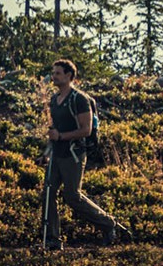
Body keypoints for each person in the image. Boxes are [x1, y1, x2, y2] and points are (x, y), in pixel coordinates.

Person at [41, 58, 132, 249]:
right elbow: (54, 130)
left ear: (69, 76)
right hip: (57, 154)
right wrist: (47, 150)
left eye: (58, 73)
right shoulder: (54, 100)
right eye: (53, 72)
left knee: (72, 196)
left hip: (73, 154)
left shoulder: (79, 99)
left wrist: (61, 137)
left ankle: (109, 224)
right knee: (48, 192)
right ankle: (52, 239)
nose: (54, 76)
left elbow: (86, 130)